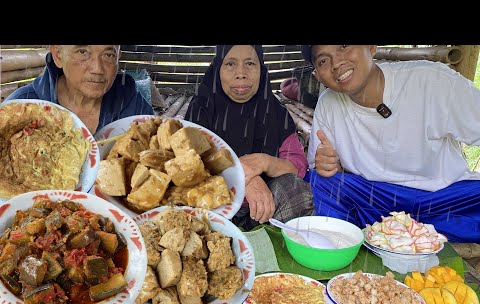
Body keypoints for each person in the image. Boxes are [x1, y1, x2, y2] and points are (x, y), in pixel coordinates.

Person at [302, 45, 480, 243]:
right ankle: (350, 243)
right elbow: (321, 169)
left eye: (344, 46)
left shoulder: (432, 81)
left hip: (446, 198)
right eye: (323, 61)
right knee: (320, 181)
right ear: (317, 75)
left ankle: (397, 236)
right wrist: (327, 165)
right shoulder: (328, 105)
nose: (336, 63)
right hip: (379, 202)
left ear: (370, 47)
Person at [185, 45, 314, 230]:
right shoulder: (201, 110)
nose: (241, 73)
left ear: (261, 68)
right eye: (230, 63)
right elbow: (188, 167)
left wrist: (264, 162)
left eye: (250, 63)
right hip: (214, 204)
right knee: (183, 197)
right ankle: (216, 241)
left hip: (265, 210)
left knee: (296, 190)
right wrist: (245, 178)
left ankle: (267, 241)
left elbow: (297, 165)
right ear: (218, 68)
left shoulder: (274, 111)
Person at [5, 45, 154, 135]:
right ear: (58, 55)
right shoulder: (20, 108)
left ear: (118, 57)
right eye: (83, 52)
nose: (97, 69)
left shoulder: (135, 106)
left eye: (108, 55)